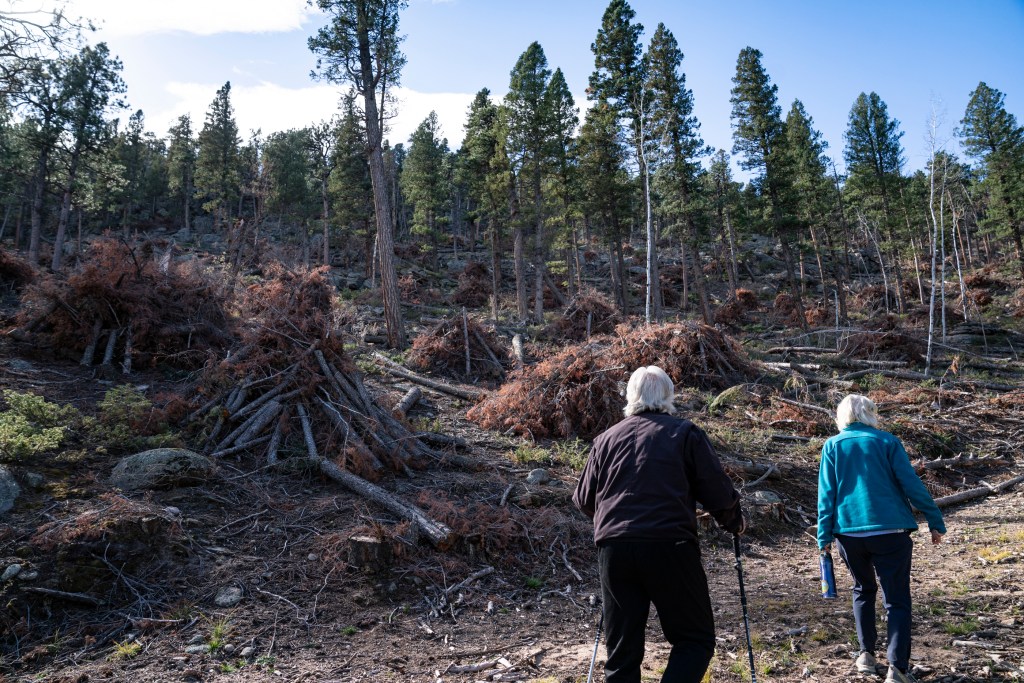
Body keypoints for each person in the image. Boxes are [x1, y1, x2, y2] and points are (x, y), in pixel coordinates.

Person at [573, 365, 744, 683]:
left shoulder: (605, 440)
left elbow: (583, 499)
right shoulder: (684, 434)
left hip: (615, 549)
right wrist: (734, 521)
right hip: (670, 547)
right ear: (668, 396)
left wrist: (613, 522)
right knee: (695, 639)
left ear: (629, 397)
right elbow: (717, 491)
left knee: (622, 653)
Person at [817, 394, 946, 683]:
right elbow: (910, 483)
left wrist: (823, 535)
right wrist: (934, 519)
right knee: (897, 600)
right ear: (870, 414)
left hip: (848, 533)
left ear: (842, 416)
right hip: (890, 532)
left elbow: (827, 494)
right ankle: (897, 669)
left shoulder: (833, 445)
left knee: (862, 590)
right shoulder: (887, 442)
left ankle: (866, 655)